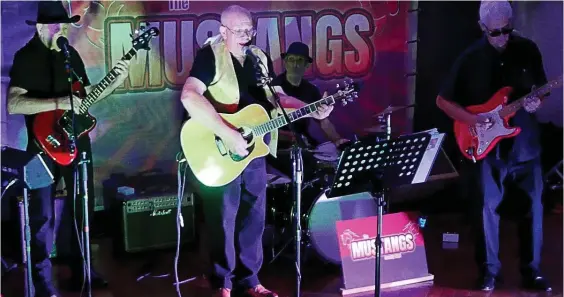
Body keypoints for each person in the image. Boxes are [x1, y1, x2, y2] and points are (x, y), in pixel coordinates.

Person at [179, 5, 333, 297]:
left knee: (254, 217)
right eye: (239, 31)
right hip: (221, 148)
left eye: (250, 29)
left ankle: (250, 279)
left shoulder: (258, 58)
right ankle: (222, 282)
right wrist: (228, 133)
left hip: (254, 149)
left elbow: (278, 98)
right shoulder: (209, 56)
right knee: (223, 218)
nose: (247, 36)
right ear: (223, 32)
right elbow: (189, 95)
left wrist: (312, 110)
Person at [6, 2, 131, 296]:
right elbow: (14, 104)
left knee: (82, 208)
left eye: (65, 26)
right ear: (39, 28)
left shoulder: (69, 55)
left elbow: (83, 99)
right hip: (43, 145)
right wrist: (57, 103)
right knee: (43, 216)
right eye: (56, 26)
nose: (62, 32)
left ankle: (83, 269)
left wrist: (113, 82)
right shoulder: (26, 57)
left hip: (76, 142)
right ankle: (42, 280)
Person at [436, 1, 551, 292]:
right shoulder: (469, 58)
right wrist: (472, 120)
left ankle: (532, 272)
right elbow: (443, 100)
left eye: (506, 30)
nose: (502, 37)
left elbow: (541, 89)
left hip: (525, 144)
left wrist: (538, 102)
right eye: (495, 32)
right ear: (482, 27)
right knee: (486, 209)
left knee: (533, 208)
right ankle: (489, 272)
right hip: (486, 147)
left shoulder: (527, 50)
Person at [272, 41, 348, 149]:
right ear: (285, 62)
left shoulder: (311, 90)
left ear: (307, 65)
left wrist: (336, 139)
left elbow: (323, 120)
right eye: (291, 59)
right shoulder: (274, 86)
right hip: (275, 146)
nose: (295, 64)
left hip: (303, 143)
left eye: (300, 60)